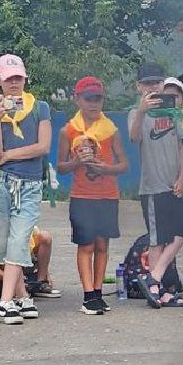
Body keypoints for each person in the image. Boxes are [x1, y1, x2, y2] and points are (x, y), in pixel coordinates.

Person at [0, 53, 53, 324]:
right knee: (2, 243)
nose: (14, 83)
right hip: (0, 182)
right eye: (8, 78)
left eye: (18, 78)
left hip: (29, 182)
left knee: (20, 239)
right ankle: (22, 297)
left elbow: (42, 146)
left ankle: (4, 302)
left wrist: (10, 156)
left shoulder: (40, 107)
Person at [58, 76, 127, 314]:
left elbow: (123, 164)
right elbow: (61, 166)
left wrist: (105, 169)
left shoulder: (111, 130)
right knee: (85, 244)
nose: (93, 104)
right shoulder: (68, 130)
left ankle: (98, 291)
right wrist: (77, 161)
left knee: (102, 244)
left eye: (97, 99)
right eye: (88, 99)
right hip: (82, 195)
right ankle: (88, 294)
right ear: (78, 100)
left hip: (107, 194)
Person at [128, 67, 183, 309]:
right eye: (147, 84)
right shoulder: (137, 113)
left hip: (176, 185)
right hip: (153, 187)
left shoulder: (173, 113)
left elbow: (181, 147)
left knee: (182, 232)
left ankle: (153, 278)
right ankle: (160, 290)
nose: (152, 87)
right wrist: (142, 112)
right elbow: (135, 137)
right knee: (158, 241)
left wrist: (181, 178)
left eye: (156, 83)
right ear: (139, 87)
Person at [0, 219, 55, 307]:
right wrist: (13, 280)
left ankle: (40, 282)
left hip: (25, 270)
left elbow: (38, 250)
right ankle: (18, 290)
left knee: (45, 235)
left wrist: (46, 273)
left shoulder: (28, 228)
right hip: (4, 273)